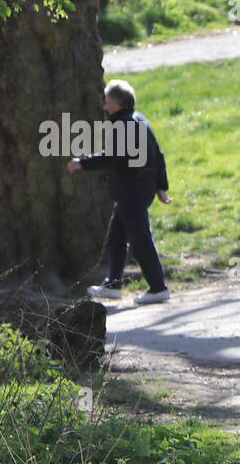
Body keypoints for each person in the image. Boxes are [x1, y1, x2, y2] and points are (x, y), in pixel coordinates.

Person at [68, 79, 172, 305]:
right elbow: (159, 155)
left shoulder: (122, 125)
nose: (104, 107)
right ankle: (113, 284)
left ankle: (158, 287)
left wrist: (82, 163)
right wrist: (161, 186)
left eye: (107, 103)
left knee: (140, 239)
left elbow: (111, 156)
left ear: (118, 104)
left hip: (131, 190)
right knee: (116, 237)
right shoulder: (140, 120)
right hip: (138, 188)